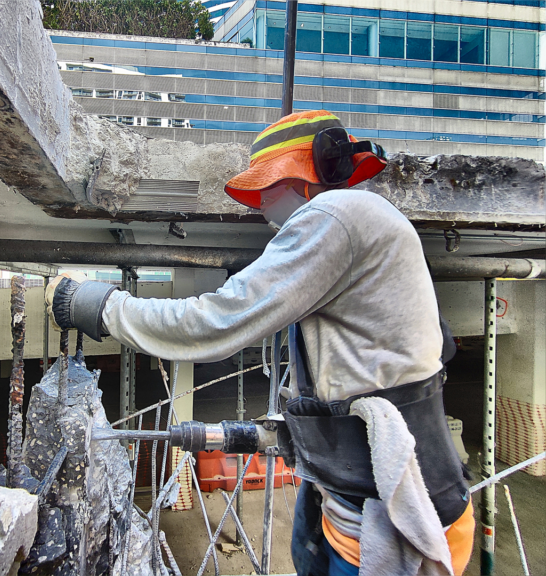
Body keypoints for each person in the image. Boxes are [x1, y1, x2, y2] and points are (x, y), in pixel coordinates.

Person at [46, 110, 474, 575]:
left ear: (308, 173)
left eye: (270, 184)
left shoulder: (335, 216)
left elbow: (213, 323)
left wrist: (95, 304)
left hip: (392, 517)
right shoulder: (370, 220)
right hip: (369, 499)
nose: (263, 201)